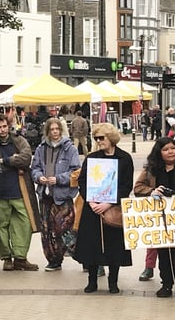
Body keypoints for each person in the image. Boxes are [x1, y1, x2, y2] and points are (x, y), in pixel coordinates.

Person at [75, 123, 133, 294]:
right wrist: (91, 201)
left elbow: (126, 185)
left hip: (113, 209)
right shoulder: (92, 158)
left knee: (114, 245)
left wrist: (109, 203)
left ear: (111, 138)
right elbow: (83, 182)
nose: (99, 141)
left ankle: (113, 281)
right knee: (92, 245)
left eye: (102, 138)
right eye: (96, 138)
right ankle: (92, 281)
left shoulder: (125, 158)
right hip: (92, 208)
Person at [0, 114, 40, 271]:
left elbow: (26, 158)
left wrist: (7, 161)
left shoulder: (19, 140)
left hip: (19, 189)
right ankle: (6, 258)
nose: (2, 130)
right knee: (2, 226)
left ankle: (20, 257)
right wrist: (13, 160)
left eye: (4, 126)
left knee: (24, 223)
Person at [31, 118, 81, 272]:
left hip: (63, 196)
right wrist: (39, 177)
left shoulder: (70, 149)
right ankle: (54, 260)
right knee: (47, 230)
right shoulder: (41, 148)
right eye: (51, 129)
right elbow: (35, 168)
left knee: (65, 229)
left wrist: (59, 179)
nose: (54, 132)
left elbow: (76, 171)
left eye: (57, 129)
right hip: (45, 195)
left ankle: (82, 256)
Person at [133, 137, 175, 297]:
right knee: (164, 254)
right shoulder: (152, 170)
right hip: (161, 219)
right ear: (159, 152)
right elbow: (137, 187)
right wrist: (152, 192)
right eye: (166, 149)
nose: (170, 152)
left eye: (172, 148)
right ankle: (167, 284)